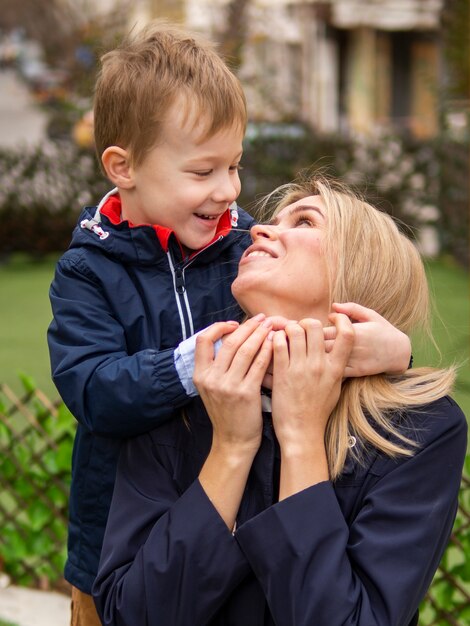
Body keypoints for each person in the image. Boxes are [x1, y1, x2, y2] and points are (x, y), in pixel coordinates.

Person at [47, 22, 411, 624]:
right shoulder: (88, 272)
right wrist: (190, 366)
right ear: (123, 166)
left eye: (235, 166)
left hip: (231, 526)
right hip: (121, 545)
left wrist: (392, 351)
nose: (229, 191)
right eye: (202, 172)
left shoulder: (242, 248)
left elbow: (295, 331)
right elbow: (93, 391)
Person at [93, 176, 467, 626]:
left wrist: (301, 435)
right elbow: (132, 616)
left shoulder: (419, 429)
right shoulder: (182, 395)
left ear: (361, 271)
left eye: (305, 220)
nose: (257, 230)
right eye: (270, 220)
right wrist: (231, 448)